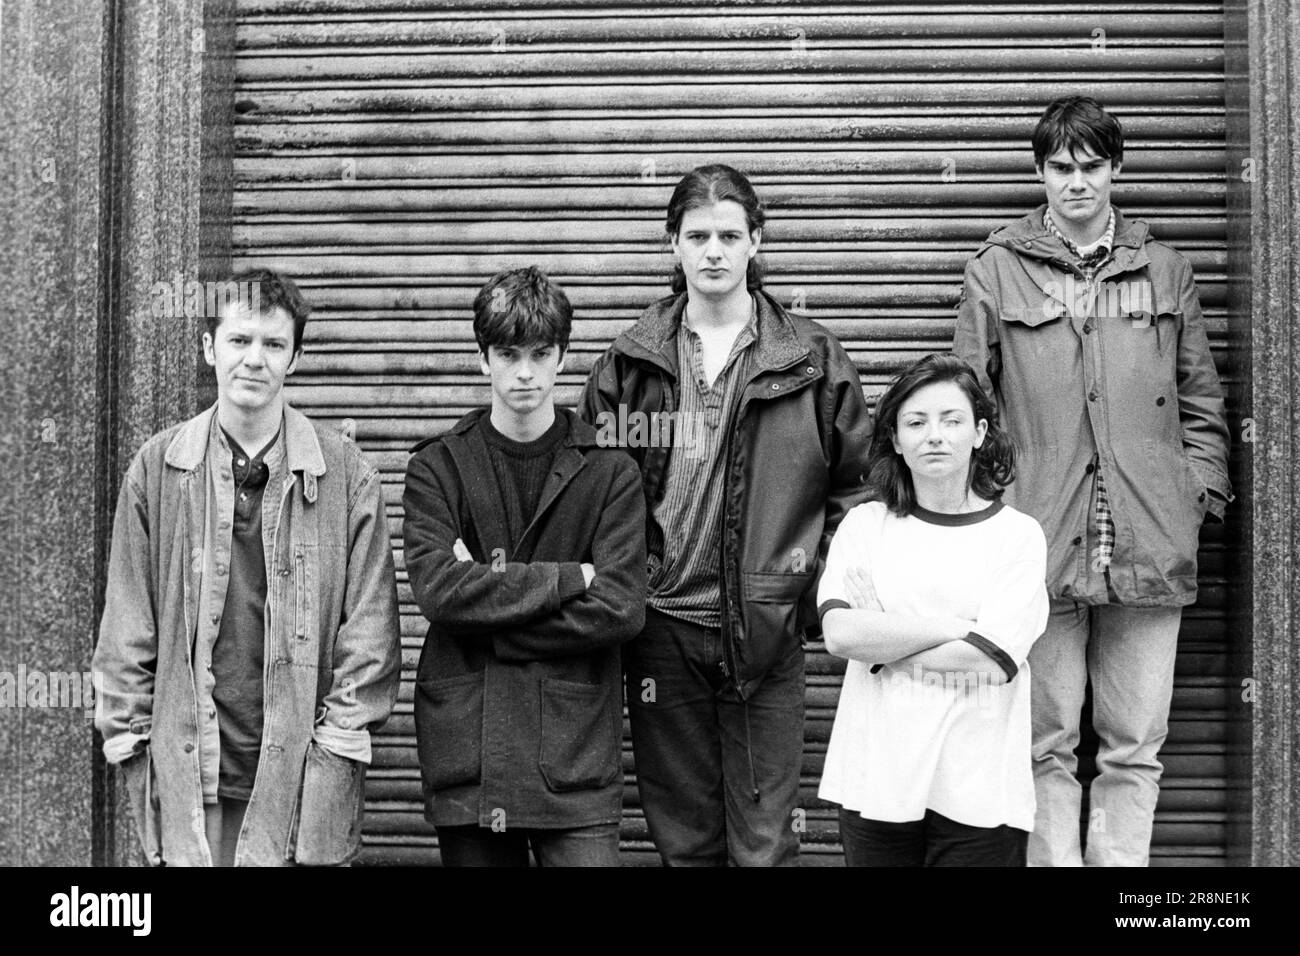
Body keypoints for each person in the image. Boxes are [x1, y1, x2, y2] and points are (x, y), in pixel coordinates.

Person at [953, 95, 1233, 866]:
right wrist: (991, 515)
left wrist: (1193, 494)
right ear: (1040, 172)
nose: (1075, 183)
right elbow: (967, 402)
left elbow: (1202, 399)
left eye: (1090, 167)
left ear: (1115, 168)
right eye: (1059, 168)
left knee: (1133, 749)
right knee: (1043, 744)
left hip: (1148, 541)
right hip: (1037, 546)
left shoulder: (1165, 271)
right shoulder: (995, 272)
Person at [579, 164, 872, 866]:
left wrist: (801, 597)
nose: (713, 250)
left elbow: (857, 491)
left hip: (763, 635)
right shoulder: (630, 365)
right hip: (661, 630)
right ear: (673, 245)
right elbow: (593, 492)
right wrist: (624, 590)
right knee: (684, 841)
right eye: (698, 235)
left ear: (755, 242)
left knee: (765, 843)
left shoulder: (809, 358)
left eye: (729, 235)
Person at [92, 267, 402, 867]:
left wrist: (331, 751)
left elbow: (371, 644)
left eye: (273, 344)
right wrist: (133, 749)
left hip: (298, 788)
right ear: (209, 348)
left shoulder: (346, 477)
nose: (254, 360)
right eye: (239, 340)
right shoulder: (156, 471)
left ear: (295, 358)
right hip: (191, 782)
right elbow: (125, 630)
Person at [403, 266, 647, 867]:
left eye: (540, 353)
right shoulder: (438, 467)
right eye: (507, 354)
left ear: (562, 356)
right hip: (472, 755)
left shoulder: (610, 471)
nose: (524, 373)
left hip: (573, 761)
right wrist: (572, 578)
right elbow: (439, 594)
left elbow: (621, 608)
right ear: (483, 358)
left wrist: (488, 611)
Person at [818, 353, 1048, 866]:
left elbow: (989, 662)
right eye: (916, 423)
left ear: (980, 432)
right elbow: (841, 635)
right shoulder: (865, 526)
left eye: (951, 420)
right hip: (879, 782)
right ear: (896, 440)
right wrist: (955, 629)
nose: (935, 435)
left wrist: (884, 641)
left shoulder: (1017, 536)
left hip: (982, 791)